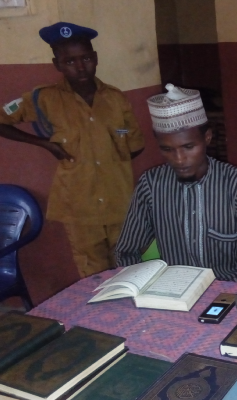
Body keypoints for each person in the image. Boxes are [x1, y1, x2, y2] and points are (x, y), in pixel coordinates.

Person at [0, 22, 144, 277]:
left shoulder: (115, 98)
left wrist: (110, 157)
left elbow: (134, 143)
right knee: (93, 275)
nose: (80, 67)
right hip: (79, 206)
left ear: (95, 58)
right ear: (57, 64)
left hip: (119, 202)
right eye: (69, 61)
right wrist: (43, 143)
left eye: (86, 58)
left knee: (129, 268)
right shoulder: (44, 99)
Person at [114, 84, 237, 283]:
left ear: (207, 138)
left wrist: (224, 290)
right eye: (167, 149)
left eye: (188, 147)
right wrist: (142, 286)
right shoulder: (150, 185)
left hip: (231, 285)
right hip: (176, 287)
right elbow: (125, 252)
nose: (179, 159)